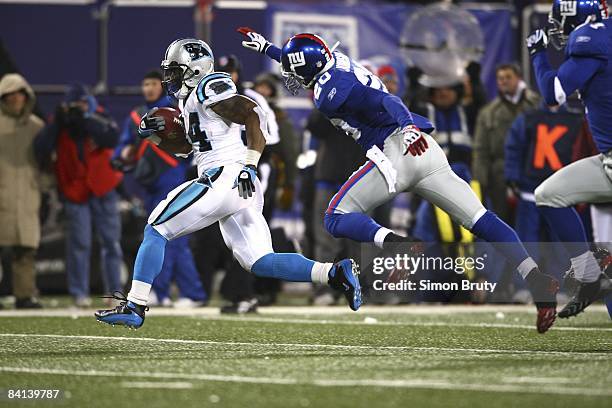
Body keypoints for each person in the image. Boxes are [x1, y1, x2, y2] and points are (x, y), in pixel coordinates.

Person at [239, 28, 559, 333]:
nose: (291, 78)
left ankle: (399, 245)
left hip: (396, 151)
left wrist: (404, 125)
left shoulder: (328, 92)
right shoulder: (335, 61)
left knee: (335, 217)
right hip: (425, 149)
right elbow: (312, 66)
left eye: (295, 71)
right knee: (480, 219)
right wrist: (270, 49)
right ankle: (535, 277)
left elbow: (384, 101)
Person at [95, 38, 361, 329]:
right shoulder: (189, 99)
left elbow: (251, 113)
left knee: (156, 227)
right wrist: (158, 137)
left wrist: (250, 163)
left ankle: (135, 303)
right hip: (233, 182)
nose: (169, 77)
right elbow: (188, 148)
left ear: (194, 69)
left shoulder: (210, 86)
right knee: (260, 261)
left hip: (226, 176)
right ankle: (334, 273)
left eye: (175, 70)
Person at [526, 0, 612, 317]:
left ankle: (589, 275)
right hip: (606, 161)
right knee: (549, 194)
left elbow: (553, 93)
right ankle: (590, 277)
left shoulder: (593, 37)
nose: (559, 30)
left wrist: (538, 55)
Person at [113, 70, 207, 308]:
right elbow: (121, 151)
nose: (148, 88)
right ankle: (174, 292)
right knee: (159, 235)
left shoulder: (176, 108)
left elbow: (190, 144)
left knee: (171, 237)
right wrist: (125, 153)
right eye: (145, 83)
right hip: (148, 182)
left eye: (153, 83)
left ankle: (180, 292)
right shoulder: (136, 115)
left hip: (172, 175)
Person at [35, 84, 123, 307]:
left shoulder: (99, 116)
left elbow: (112, 138)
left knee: (111, 243)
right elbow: (41, 148)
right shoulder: (60, 124)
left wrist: (85, 119)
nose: (79, 108)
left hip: (103, 188)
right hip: (75, 190)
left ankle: (113, 294)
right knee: (79, 244)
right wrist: (57, 123)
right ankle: (79, 294)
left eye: (82, 103)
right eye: (75, 105)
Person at [472, 64, 540, 223]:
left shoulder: (536, 105)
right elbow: (480, 150)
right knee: (501, 223)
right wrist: (480, 183)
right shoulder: (488, 113)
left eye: (508, 77)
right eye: (500, 78)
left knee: (532, 223)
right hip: (499, 177)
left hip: (531, 172)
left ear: (519, 78)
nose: (503, 81)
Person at [0, 73, 44, 309]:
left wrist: (45, 187)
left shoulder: (36, 127)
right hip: (3, 193)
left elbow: (47, 162)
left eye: (19, 93)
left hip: (28, 195)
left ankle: (25, 295)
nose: (15, 98)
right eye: (10, 94)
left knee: (25, 251)